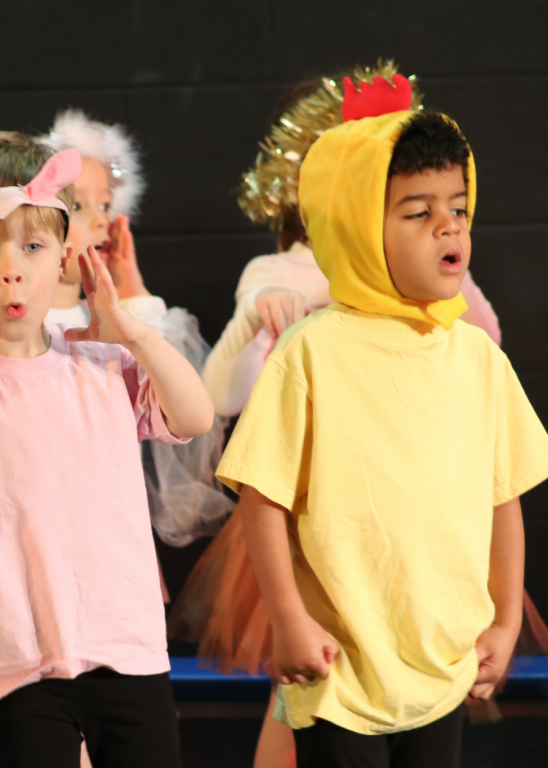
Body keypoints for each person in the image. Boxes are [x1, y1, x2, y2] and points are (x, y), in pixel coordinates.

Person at [218, 76, 548, 767]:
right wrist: (288, 620)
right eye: (418, 212)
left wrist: (505, 617)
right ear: (360, 228)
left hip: (441, 662)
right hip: (341, 668)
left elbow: (503, 496)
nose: (449, 226)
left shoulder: (476, 358)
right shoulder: (312, 352)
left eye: (458, 208)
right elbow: (261, 495)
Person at [0, 131, 214, 768]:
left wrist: (136, 334)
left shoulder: (101, 363)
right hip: (19, 663)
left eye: (32, 246)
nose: (12, 268)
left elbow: (193, 416)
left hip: (125, 649)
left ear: (62, 258)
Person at [40, 109, 232, 549]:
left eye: (106, 205)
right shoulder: (27, 329)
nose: (101, 220)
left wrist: (134, 291)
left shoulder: (115, 323)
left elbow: (172, 409)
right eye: (78, 206)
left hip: (112, 528)